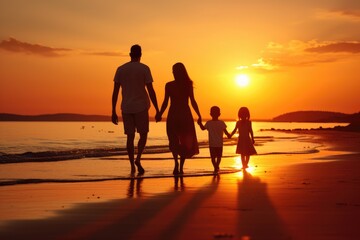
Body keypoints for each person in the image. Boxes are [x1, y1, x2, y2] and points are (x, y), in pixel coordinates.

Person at [112, 44, 159, 175]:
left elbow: (115, 92)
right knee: (143, 134)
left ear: (130, 54)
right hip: (141, 106)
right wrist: (157, 109)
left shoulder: (121, 69)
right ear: (140, 54)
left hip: (126, 107)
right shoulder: (144, 68)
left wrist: (113, 111)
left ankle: (132, 165)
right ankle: (138, 159)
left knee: (130, 137)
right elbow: (151, 90)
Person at [156, 62, 201, 175]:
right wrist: (160, 113)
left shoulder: (179, 85)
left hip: (179, 115)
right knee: (178, 141)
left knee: (179, 141)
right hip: (180, 115)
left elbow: (192, 101)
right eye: (172, 71)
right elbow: (166, 101)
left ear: (178, 72)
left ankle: (178, 164)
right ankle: (178, 164)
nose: (173, 73)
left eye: (174, 71)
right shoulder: (177, 85)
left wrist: (199, 115)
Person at [197, 106, 230, 173]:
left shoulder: (209, 123)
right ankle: (216, 166)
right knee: (219, 157)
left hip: (212, 144)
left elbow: (203, 128)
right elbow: (226, 132)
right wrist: (229, 135)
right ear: (219, 114)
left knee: (213, 157)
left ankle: (215, 167)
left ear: (210, 114)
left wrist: (200, 123)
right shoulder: (221, 123)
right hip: (219, 144)